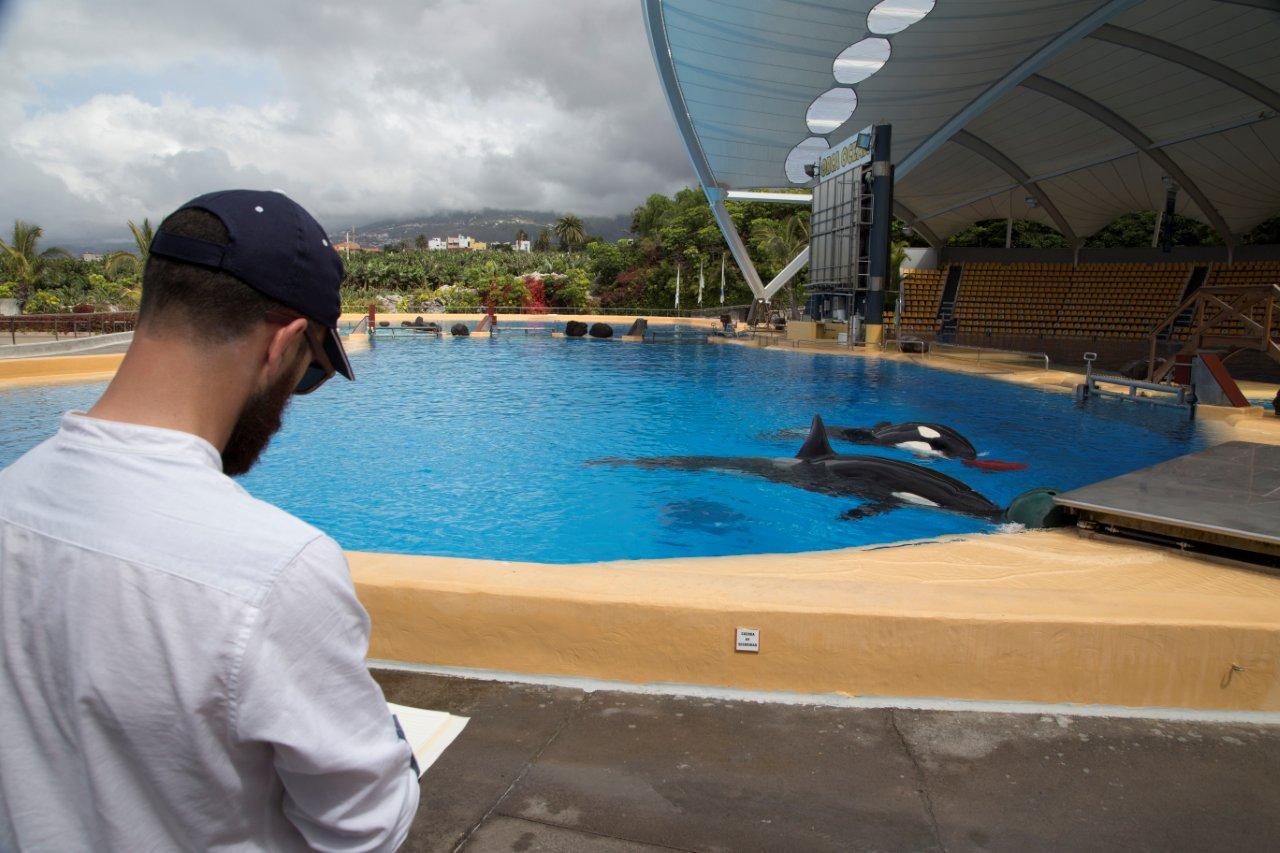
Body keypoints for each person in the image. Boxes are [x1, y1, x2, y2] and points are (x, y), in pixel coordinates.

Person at [0, 190, 420, 851]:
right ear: (282, 346)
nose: (292, 401)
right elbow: (365, 827)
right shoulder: (274, 572)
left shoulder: (10, 497)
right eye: (308, 375)